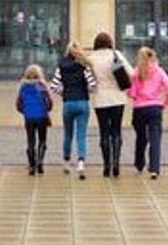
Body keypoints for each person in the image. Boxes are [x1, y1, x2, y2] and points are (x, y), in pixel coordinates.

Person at [72, 32, 129, 178]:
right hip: (118, 98)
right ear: (110, 42)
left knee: (104, 131)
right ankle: (116, 163)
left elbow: (83, 76)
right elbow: (131, 72)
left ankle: (106, 166)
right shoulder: (116, 55)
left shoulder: (91, 59)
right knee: (116, 131)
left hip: (100, 99)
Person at [50, 42, 97, 179]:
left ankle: (66, 162)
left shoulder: (61, 65)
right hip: (82, 102)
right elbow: (92, 85)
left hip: (68, 103)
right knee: (81, 135)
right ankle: (81, 163)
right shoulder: (84, 66)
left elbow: (53, 86)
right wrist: (85, 90)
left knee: (68, 134)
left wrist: (63, 93)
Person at [127, 46, 168, 179]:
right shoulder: (159, 71)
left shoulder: (136, 73)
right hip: (155, 108)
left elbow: (131, 94)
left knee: (141, 137)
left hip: (139, 110)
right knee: (155, 139)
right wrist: (166, 103)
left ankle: (139, 163)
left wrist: (135, 94)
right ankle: (154, 168)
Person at [15, 64, 52, 174]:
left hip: (29, 118)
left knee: (31, 141)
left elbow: (18, 104)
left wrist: (25, 112)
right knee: (42, 140)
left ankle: (31, 165)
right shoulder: (42, 86)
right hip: (41, 116)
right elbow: (49, 103)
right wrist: (47, 110)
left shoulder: (22, 87)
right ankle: (40, 162)